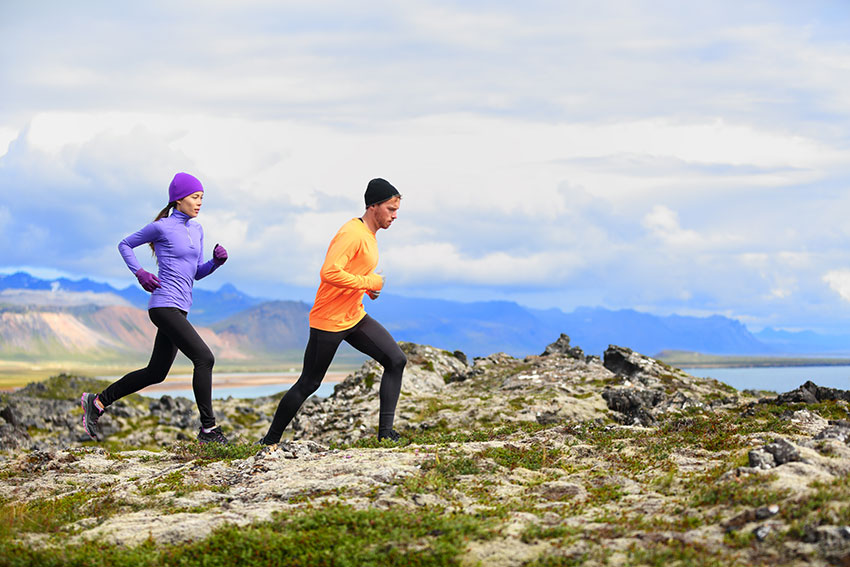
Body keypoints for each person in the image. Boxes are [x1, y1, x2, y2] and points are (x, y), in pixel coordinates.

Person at [81, 172, 230, 444]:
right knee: (204, 358)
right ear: (179, 199)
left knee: (156, 372)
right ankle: (209, 430)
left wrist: (215, 263)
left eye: (202, 198)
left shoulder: (197, 230)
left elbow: (195, 272)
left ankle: (98, 402)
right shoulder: (162, 227)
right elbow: (124, 244)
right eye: (195, 197)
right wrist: (139, 272)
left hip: (181, 307)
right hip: (163, 305)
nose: (199, 203)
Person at [259, 178, 408, 445]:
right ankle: (269, 441)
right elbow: (328, 272)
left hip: (354, 315)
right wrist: (368, 282)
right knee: (309, 383)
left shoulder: (370, 235)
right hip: (328, 320)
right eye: (390, 209)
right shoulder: (352, 233)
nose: (395, 216)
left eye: (397, 210)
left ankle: (386, 434)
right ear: (373, 206)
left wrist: (368, 288)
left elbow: (351, 272)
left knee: (396, 360)